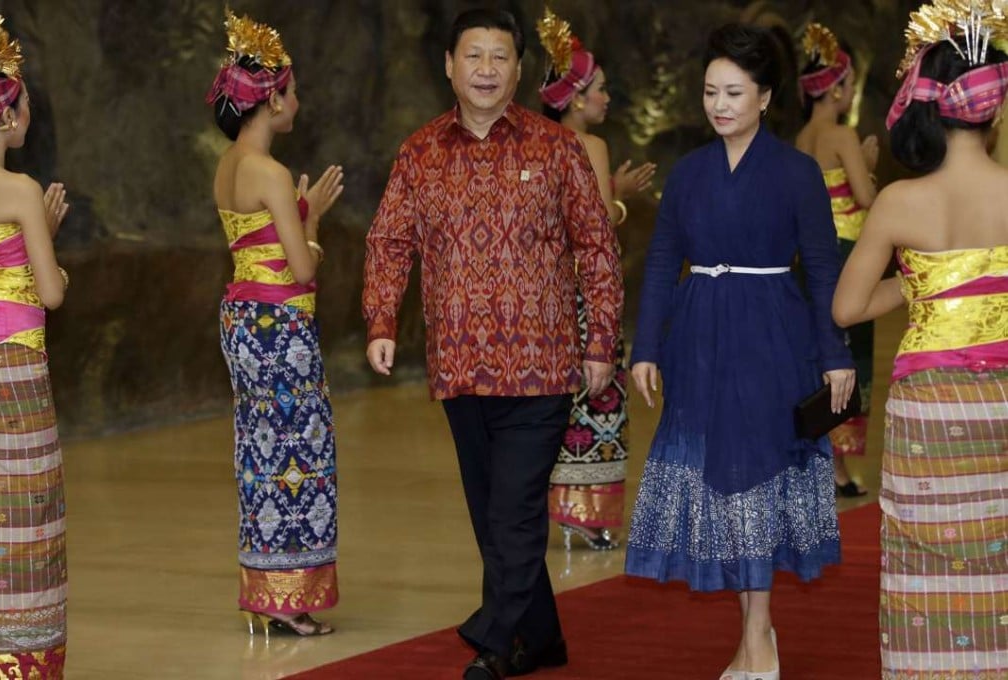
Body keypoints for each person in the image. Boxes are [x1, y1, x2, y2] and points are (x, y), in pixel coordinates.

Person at [362, 8, 623, 679]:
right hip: (458, 364)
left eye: (499, 56)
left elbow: (596, 247)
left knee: (513, 511)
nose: (485, 69)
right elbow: (390, 241)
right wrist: (381, 321)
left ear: (519, 69)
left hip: (541, 366)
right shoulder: (419, 152)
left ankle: (491, 641)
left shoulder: (554, 148)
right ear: (449, 64)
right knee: (490, 515)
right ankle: (540, 639)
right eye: (473, 55)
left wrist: (601, 345)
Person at [625, 23, 855, 680]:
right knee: (719, 485)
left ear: (764, 97)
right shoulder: (690, 172)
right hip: (698, 336)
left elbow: (821, 267)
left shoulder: (796, 171)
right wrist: (646, 346)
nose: (720, 105)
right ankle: (752, 632)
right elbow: (666, 255)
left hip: (771, 338)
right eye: (710, 92)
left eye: (734, 92)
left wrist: (835, 354)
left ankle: (758, 634)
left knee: (754, 476)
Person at [832, 1, 1008, 674]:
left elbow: (848, 308)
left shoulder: (900, 202)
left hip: (928, 403)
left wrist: (927, 284)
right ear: (993, 110)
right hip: (1000, 404)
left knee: (923, 551)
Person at [206, 8, 344, 638]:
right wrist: (311, 218)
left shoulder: (226, 167)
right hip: (279, 328)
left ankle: (264, 591)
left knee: (259, 452)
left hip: (241, 322)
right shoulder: (271, 172)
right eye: (292, 91)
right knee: (301, 451)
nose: (297, 101)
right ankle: (290, 597)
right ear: (272, 100)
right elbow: (300, 269)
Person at [536, 8, 656, 551]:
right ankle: (589, 513)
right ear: (577, 97)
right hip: (588, 295)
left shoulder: (536, 142)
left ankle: (556, 504)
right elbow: (594, 224)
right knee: (598, 397)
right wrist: (620, 203)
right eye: (600, 89)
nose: (607, 99)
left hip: (546, 296)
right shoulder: (591, 146)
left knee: (552, 401)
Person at [0, 8, 71, 677]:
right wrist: (47, 244)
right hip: (14, 375)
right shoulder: (19, 190)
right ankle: (15, 659)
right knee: (23, 509)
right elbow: (50, 293)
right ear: (10, 115)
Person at [795, 23, 878, 497]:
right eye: (848, 84)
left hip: (809, 260)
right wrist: (866, 162)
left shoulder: (800, 137)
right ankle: (840, 468)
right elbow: (866, 199)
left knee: (817, 352)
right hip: (847, 255)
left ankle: (817, 455)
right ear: (836, 88)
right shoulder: (842, 135)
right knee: (852, 354)